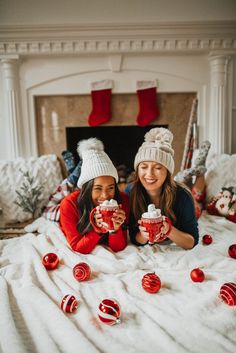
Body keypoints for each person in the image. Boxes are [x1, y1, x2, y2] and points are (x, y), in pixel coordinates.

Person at [128, 127, 201, 250]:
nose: (149, 174)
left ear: (167, 172)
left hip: (189, 209)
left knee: (198, 206)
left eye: (157, 167)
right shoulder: (130, 192)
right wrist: (144, 234)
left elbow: (191, 242)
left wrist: (169, 229)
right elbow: (135, 238)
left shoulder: (183, 196)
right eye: (144, 167)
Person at [59, 138, 129, 254]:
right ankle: (72, 169)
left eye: (111, 187)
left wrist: (115, 229)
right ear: (87, 188)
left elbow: (118, 248)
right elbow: (78, 247)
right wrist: (98, 230)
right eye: (98, 188)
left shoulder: (122, 200)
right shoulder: (69, 204)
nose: (105, 196)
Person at [42, 151, 82, 221]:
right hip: (65, 206)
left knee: (67, 194)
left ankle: (73, 173)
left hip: (56, 207)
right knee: (72, 195)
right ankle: (74, 172)